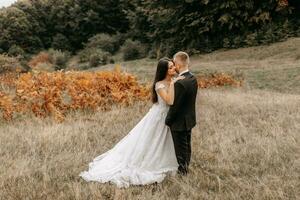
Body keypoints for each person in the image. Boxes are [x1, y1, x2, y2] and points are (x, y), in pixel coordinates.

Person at [79, 58, 184, 188]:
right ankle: (149, 163)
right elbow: (169, 101)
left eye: (173, 66)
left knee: (165, 141)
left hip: (169, 117)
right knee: (153, 141)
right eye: (170, 67)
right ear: (164, 71)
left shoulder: (174, 80)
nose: (174, 68)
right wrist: (174, 84)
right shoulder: (160, 85)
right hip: (159, 117)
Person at [165, 51, 198, 175]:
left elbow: (175, 107)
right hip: (189, 119)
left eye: (174, 63)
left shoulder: (180, 83)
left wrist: (168, 121)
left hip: (179, 122)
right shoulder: (193, 78)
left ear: (178, 65)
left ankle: (183, 171)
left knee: (180, 148)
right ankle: (185, 167)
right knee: (187, 146)